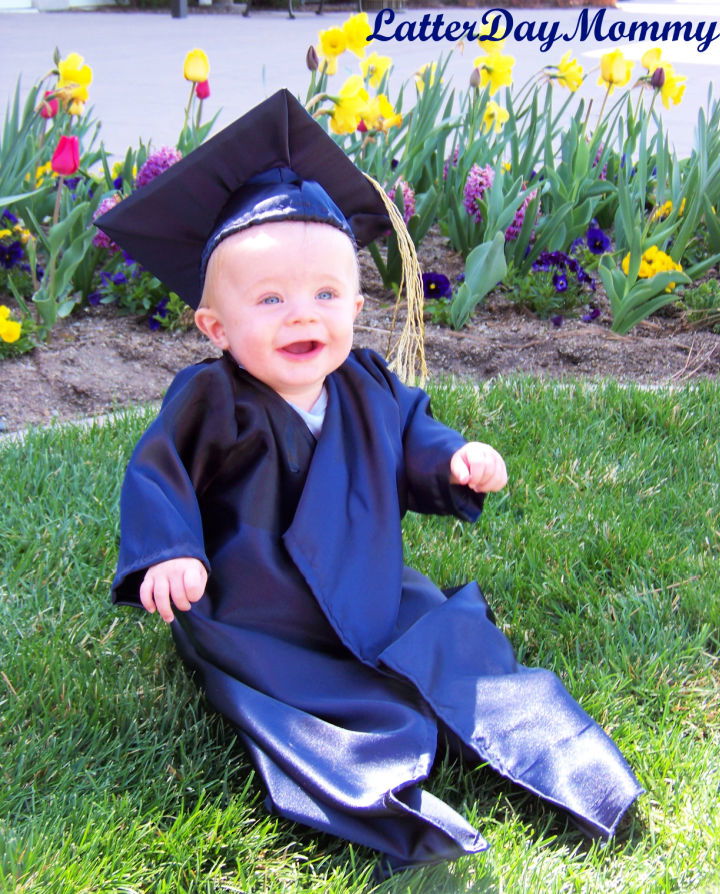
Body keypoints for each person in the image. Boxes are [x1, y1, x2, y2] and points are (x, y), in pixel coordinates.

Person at [96, 89, 642, 874]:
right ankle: (394, 816)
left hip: (372, 583)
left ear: (356, 304)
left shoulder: (365, 379)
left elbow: (411, 432)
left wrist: (452, 459)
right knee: (311, 702)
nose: (301, 316)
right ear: (215, 328)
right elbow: (158, 474)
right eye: (271, 299)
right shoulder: (208, 398)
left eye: (324, 295)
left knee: (458, 651)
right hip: (259, 607)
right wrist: (170, 551)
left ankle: (582, 775)